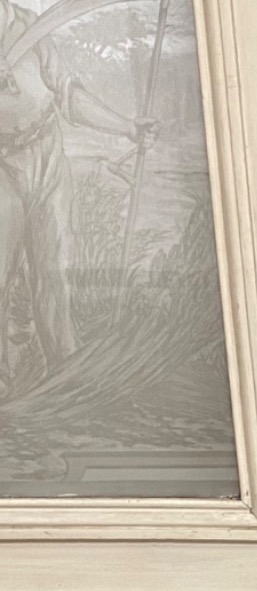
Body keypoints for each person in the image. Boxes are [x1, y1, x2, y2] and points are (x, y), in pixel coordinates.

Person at [0, 0, 156, 390]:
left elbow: (68, 94)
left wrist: (126, 127)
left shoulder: (28, 26)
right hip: (3, 166)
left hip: (47, 154)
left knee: (56, 271)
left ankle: (66, 374)